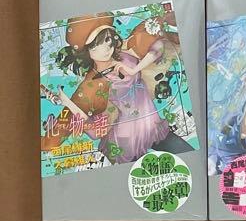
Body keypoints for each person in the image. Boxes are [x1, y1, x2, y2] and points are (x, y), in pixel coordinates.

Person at [41, 12, 193, 165]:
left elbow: (157, 45)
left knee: (191, 157)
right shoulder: (91, 86)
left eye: (107, 39)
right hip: (126, 141)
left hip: (152, 127)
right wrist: (67, 102)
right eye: (96, 45)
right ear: (86, 51)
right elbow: (87, 129)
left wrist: (135, 69)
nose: (106, 48)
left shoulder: (125, 53)